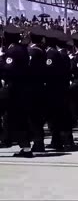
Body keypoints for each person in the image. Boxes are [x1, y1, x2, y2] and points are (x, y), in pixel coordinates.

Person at [2, 25, 32, 157]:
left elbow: (8, 69)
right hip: (22, 89)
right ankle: (24, 147)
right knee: (16, 118)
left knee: (16, 117)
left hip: (13, 89)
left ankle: (24, 147)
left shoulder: (12, 51)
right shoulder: (23, 49)